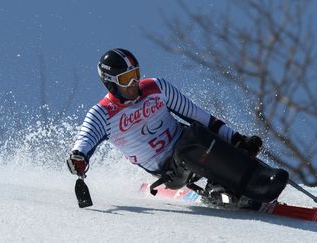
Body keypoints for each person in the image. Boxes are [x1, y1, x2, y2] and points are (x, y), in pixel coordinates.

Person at [66, 48, 266, 204]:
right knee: (194, 141)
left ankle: (255, 175)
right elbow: (85, 139)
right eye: (126, 79)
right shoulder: (103, 113)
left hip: (190, 142)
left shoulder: (156, 87)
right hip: (168, 171)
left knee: (200, 134)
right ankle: (223, 190)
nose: (134, 82)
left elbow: (198, 116)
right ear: (110, 83)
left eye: (136, 74)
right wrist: (79, 157)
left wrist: (237, 139)